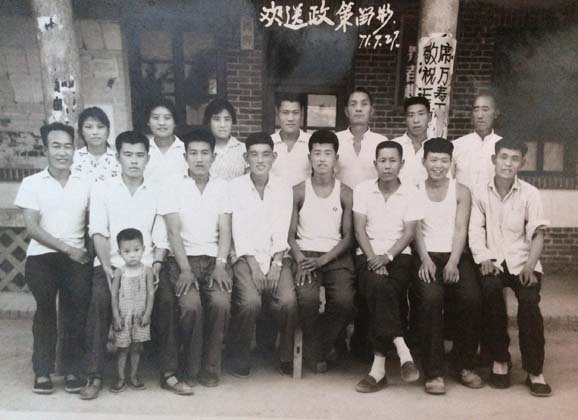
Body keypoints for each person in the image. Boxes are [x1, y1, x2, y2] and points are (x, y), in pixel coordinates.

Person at [81, 131, 169, 400]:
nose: (134, 161)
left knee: (167, 300)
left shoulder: (157, 189)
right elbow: (98, 232)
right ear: (118, 157)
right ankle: (94, 375)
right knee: (99, 301)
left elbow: (161, 234)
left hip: (147, 266)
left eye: (140, 155)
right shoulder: (103, 188)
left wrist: (157, 264)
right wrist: (107, 267)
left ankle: (169, 372)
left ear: (147, 158)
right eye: (128, 154)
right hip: (112, 265)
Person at [469, 138, 552, 397]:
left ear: (522, 163)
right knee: (491, 296)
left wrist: (530, 266)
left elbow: (537, 233)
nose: (508, 163)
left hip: (523, 261)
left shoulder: (530, 193)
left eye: (515, 159)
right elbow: (475, 230)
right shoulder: (480, 192)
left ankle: (534, 370)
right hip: (493, 261)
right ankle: (500, 360)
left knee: (529, 303)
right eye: (503, 157)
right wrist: (484, 258)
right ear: (494, 159)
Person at [14, 122, 92, 394]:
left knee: (75, 311)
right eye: (56, 146)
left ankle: (72, 369)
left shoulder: (85, 183)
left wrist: (81, 252)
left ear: (74, 150)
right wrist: (67, 248)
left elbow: (93, 222)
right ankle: (42, 371)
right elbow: (32, 228)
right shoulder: (32, 183)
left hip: (77, 259)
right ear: (45, 149)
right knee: (46, 309)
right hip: (43, 257)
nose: (62, 152)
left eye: (68, 146)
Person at [155, 128, 232, 389]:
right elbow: (172, 232)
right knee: (191, 308)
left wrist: (221, 264)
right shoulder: (172, 185)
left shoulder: (222, 186)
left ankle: (210, 369)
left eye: (205, 153)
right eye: (193, 153)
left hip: (213, 261)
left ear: (214, 156)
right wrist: (185, 269)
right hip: (182, 260)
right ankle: (190, 368)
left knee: (221, 303)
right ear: (185, 157)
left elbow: (225, 229)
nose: (199, 159)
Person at [413, 138, 483, 395]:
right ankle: (434, 372)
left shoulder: (461, 191)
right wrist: (425, 259)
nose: (438, 165)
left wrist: (454, 261)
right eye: (433, 160)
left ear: (451, 163)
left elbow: (460, 228)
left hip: (456, 255)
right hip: (425, 255)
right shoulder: (415, 190)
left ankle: (464, 364)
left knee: (471, 298)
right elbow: (415, 229)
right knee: (431, 299)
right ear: (424, 162)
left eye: (444, 161)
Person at [353, 141, 421, 393]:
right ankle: (402, 349)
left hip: (399, 255)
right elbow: (359, 229)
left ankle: (378, 369)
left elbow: (409, 232)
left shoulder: (411, 192)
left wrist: (388, 257)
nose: (388, 166)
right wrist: (373, 258)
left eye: (393, 160)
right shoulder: (363, 190)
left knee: (384, 290)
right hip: (367, 253)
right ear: (375, 164)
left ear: (401, 164)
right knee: (381, 287)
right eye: (382, 160)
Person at [227, 132, 298, 377]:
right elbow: (238, 230)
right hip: (245, 257)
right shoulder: (235, 187)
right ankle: (240, 355)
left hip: (277, 255)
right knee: (250, 302)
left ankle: (286, 355)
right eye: (254, 154)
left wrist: (277, 263)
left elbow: (282, 227)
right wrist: (254, 266)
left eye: (265, 154)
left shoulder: (283, 187)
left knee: (287, 301)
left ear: (273, 157)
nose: (260, 160)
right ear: (246, 158)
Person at [288, 129, 356, 373]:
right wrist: (300, 259)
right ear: (310, 158)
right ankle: (325, 347)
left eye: (328, 153)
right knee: (307, 301)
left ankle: (318, 347)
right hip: (305, 255)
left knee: (345, 302)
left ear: (336, 159)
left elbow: (348, 237)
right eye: (317, 153)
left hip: (335, 256)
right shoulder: (298, 191)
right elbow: (289, 235)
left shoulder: (345, 192)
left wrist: (324, 260)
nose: (322, 159)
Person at [110, 228, 155, 393]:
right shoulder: (119, 272)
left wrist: (148, 313)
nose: (132, 255)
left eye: (136, 250)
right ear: (119, 253)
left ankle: (134, 376)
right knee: (123, 349)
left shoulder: (147, 271)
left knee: (137, 348)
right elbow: (114, 294)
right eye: (127, 251)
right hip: (123, 317)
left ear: (143, 249)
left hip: (140, 317)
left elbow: (151, 292)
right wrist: (116, 316)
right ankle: (121, 378)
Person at [336, 87, 388, 189]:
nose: (358, 109)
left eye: (364, 104)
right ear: (346, 111)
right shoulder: (335, 140)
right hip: (340, 198)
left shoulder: (381, 141)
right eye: (353, 104)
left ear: (371, 111)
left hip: (372, 198)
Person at [452, 90, 503, 190]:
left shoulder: (504, 145)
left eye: (485, 109)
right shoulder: (457, 145)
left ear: (496, 114)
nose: (480, 115)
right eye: (476, 110)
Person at [270, 92, 311, 186]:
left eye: (295, 113)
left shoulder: (312, 143)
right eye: (285, 112)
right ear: (277, 113)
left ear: (302, 113)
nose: (290, 118)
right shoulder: (267, 143)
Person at [144, 98, 188, 184]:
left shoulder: (186, 150)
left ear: (175, 122)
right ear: (148, 122)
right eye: (155, 118)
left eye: (167, 118)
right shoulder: (142, 151)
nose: (161, 123)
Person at [72, 106, 120, 182]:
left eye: (100, 127)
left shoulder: (119, 160)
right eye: (89, 127)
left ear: (108, 131)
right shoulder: (73, 159)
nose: (95, 132)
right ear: (81, 131)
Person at [392, 96, 433, 187]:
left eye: (421, 114)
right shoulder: (393, 146)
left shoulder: (437, 147)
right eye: (411, 115)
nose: (416, 120)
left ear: (429, 117)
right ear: (405, 119)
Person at [203, 98, 247, 180]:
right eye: (216, 119)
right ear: (209, 122)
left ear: (232, 121)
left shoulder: (244, 149)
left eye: (227, 119)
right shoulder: (201, 150)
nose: (222, 125)